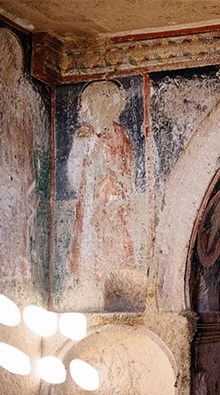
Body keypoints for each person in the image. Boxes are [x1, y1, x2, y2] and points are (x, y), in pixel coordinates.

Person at [0, 27, 44, 288]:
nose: (8, 65)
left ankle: (18, 272)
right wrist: (1, 119)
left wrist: (15, 123)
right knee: (1, 216)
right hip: (0, 167)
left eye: (12, 60)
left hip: (18, 164)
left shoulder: (23, 94)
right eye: (3, 59)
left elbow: (28, 131)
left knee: (18, 217)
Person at [68, 80, 135, 281]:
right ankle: (88, 277)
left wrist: (114, 177)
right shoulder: (83, 135)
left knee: (112, 235)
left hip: (111, 197)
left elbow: (128, 167)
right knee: (89, 234)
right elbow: (74, 170)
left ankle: (115, 275)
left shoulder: (120, 133)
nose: (102, 107)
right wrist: (85, 153)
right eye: (98, 102)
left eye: (107, 102)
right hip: (90, 197)